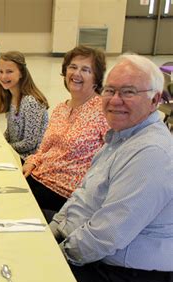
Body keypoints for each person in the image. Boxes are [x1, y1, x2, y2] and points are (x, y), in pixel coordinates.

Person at [50, 54, 173, 282]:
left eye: (128, 92)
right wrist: (53, 230)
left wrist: (55, 255)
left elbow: (106, 235)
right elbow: (82, 198)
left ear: (154, 100)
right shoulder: (122, 136)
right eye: (110, 90)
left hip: (126, 279)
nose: (115, 100)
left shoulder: (151, 154)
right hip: (97, 255)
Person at [23, 46, 110, 219]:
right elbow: (44, 149)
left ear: (96, 78)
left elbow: (111, 160)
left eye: (85, 69)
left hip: (65, 192)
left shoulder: (103, 111)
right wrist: (32, 161)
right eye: (73, 67)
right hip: (40, 176)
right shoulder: (61, 108)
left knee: (9, 206)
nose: (76, 73)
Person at [0, 51, 49, 161]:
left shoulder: (31, 102)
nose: (3, 76)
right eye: (0, 71)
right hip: (16, 152)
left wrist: (4, 147)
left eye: (9, 71)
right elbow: (10, 132)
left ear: (21, 73)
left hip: (29, 159)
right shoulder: (10, 96)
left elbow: (29, 143)